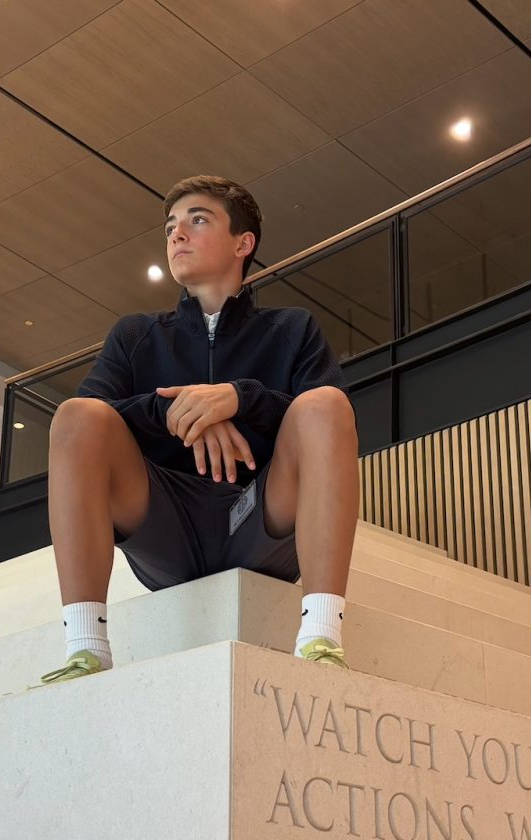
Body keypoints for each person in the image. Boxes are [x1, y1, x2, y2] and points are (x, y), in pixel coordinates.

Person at [39, 175, 360, 685]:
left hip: (260, 516)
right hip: (166, 523)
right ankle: (86, 649)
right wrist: (179, 411)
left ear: (243, 243)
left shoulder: (292, 328)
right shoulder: (135, 335)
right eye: (171, 227)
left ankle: (321, 637)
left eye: (198, 220)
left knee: (325, 404)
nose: (177, 234)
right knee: (78, 417)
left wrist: (239, 397)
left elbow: (329, 431)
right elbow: (94, 416)